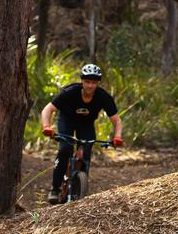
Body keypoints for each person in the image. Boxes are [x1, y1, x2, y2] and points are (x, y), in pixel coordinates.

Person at [41, 63, 123, 204]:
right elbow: (47, 110)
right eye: (87, 82)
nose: (90, 85)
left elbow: (116, 120)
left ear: (97, 83)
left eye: (93, 82)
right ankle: (55, 188)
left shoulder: (103, 96)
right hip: (66, 121)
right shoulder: (70, 92)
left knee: (85, 151)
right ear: (82, 81)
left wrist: (117, 137)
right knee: (65, 149)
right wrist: (46, 126)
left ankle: (80, 187)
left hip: (86, 124)